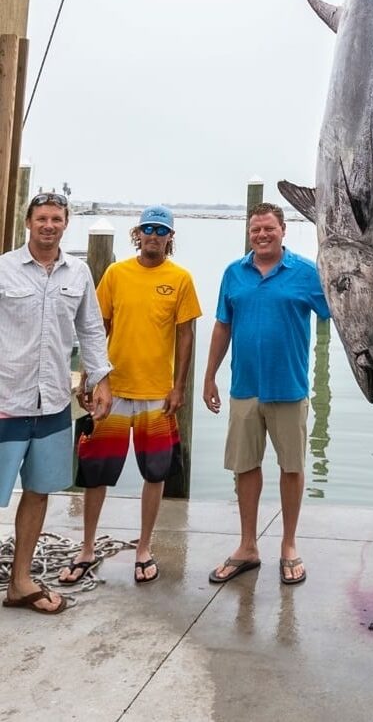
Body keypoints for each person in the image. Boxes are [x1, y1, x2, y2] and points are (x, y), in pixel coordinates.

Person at [58, 205, 202, 585]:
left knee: (155, 474)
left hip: (157, 395)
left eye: (161, 230)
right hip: (113, 392)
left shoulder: (182, 279)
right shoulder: (116, 274)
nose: (154, 235)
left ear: (171, 237)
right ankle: (87, 548)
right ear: (137, 234)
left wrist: (180, 386)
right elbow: (96, 327)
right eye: (148, 229)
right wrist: (89, 378)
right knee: (95, 473)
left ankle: (144, 548)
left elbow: (186, 334)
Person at [203, 202, 330, 586]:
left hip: (289, 388)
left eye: (268, 229)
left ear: (283, 231)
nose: (261, 235)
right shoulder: (233, 273)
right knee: (245, 467)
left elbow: (336, 313)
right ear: (249, 232)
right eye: (256, 229)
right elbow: (222, 327)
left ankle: (289, 545)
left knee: (291, 468)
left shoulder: (307, 273)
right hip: (245, 387)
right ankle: (247, 546)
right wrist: (209, 376)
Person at [0, 192, 111, 614]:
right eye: (42, 218)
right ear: (27, 222)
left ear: (66, 224)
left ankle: (20, 581)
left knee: (40, 490)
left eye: (57, 219)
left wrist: (99, 377)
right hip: (5, 399)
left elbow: (91, 330)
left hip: (52, 404)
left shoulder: (79, 273)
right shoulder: (4, 269)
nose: (49, 225)